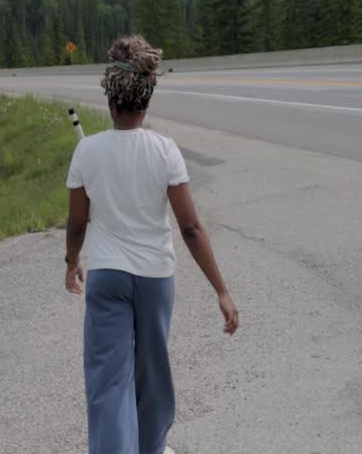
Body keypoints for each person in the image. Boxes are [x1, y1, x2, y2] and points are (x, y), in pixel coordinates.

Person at [65, 36, 239, 454]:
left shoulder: (87, 151)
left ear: (110, 99)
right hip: (155, 276)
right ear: (146, 100)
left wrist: (71, 262)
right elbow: (191, 228)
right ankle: (153, 447)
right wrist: (221, 289)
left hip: (107, 276)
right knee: (153, 371)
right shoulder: (164, 151)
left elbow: (77, 221)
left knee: (108, 380)